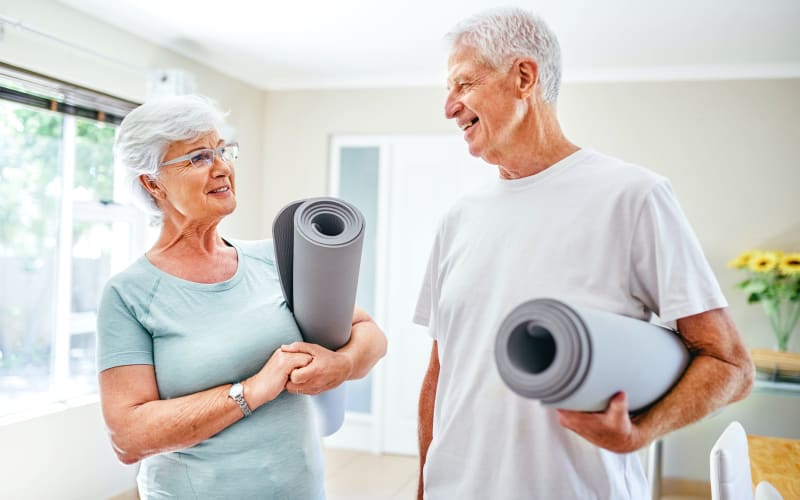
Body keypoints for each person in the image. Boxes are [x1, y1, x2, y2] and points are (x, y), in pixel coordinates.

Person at [414, 8, 753, 500]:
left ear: (524, 77)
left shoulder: (633, 196)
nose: (449, 107)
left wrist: (642, 431)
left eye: (463, 84)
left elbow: (731, 365)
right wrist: (425, 485)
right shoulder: (458, 217)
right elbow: (440, 372)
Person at [97, 94, 387, 499]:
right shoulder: (129, 294)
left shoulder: (272, 258)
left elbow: (370, 332)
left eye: (222, 150)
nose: (222, 168)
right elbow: (129, 437)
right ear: (152, 183)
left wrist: (343, 364)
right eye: (198, 158)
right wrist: (251, 390)